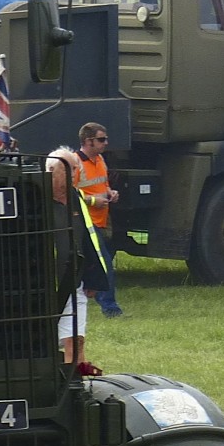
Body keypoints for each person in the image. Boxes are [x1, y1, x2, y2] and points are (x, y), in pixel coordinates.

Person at [47, 145, 109, 374]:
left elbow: (88, 240)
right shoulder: (35, 199)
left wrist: (93, 278)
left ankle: (76, 376)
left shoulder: (76, 197)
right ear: (55, 170)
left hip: (75, 279)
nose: (79, 173)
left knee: (76, 337)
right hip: (48, 283)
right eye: (73, 168)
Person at [74, 122, 122, 318]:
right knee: (105, 265)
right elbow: (70, 194)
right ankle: (110, 308)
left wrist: (111, 193)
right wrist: (94, 201)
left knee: (94, 265)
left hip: (102, 221)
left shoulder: (100, 159)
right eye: (101, 140)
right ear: (88, 141)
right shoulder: (76, 163)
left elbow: (103, 184)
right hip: (88, 222)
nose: (106, 143)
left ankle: (82, 300)